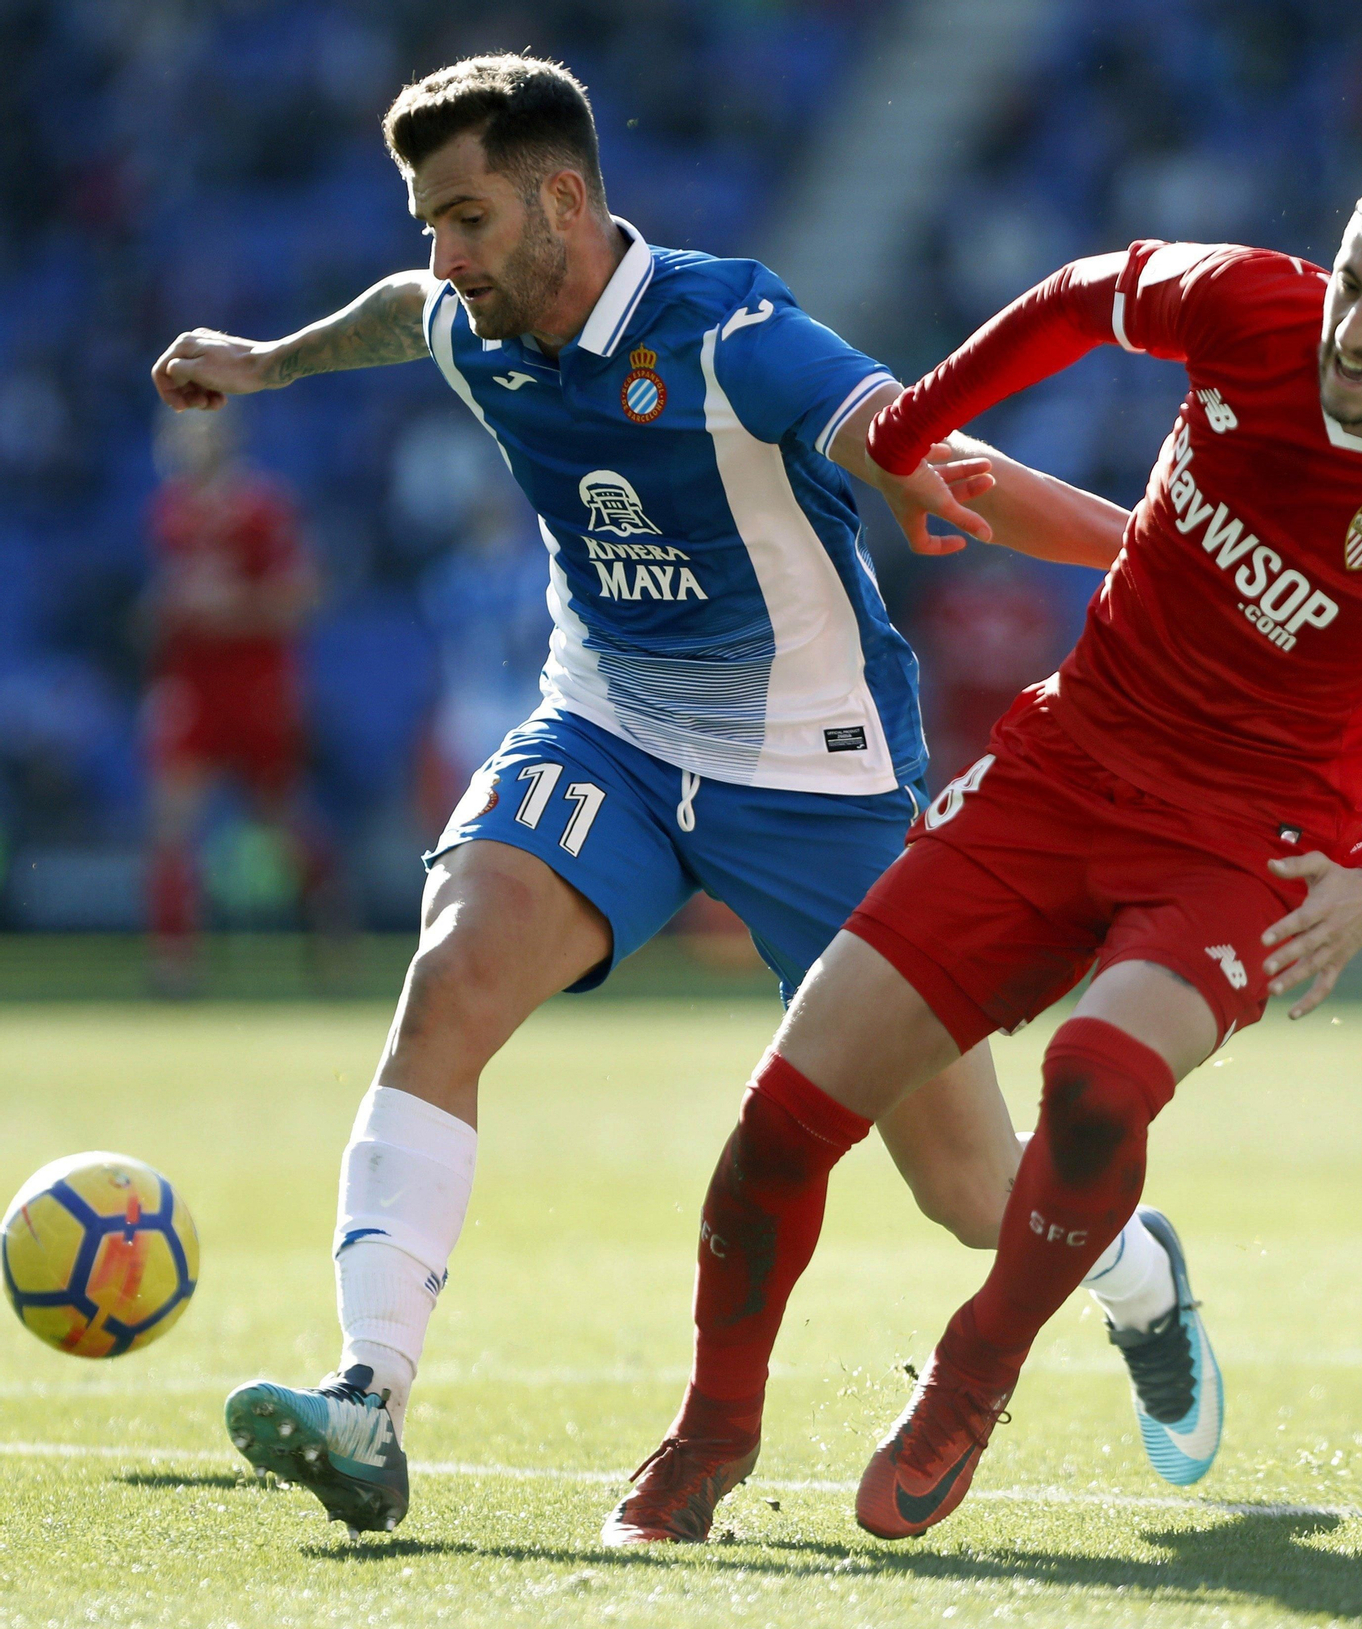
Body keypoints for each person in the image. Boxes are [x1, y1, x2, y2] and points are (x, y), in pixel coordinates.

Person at [148, 55, 1149, 1539]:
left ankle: (1142, 1281)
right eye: (428, 220)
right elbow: (396, 318)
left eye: (467, 218)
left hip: (817, 776)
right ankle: (369, 1394)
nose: (445, 256)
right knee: (451, 975)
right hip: (607, 733)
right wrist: (267, 360)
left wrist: (1148, 553)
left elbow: (948, 460)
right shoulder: (475, 320)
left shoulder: (729, 329)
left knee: (963, 1184)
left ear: (563, 197)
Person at [610, 150, 1362, 1546]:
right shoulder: (1251, 307)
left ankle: (971, 1376)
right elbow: (1078, 296)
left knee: (1095, 1080)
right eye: (1352, 283)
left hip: (1253, 846)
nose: (1351, 332)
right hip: (1062, 768)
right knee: (779, 1125)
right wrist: (913, 428)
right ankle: (708, 1438)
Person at [142, 405, 331, 991]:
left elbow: (302, 595)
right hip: (194, 684)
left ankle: (332, 940)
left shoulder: (261, 508)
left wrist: (232, 609)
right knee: (170, 822)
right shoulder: (169, 513)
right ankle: (174, 964)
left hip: (254, 684)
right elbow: (170, 600)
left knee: (280, 819)